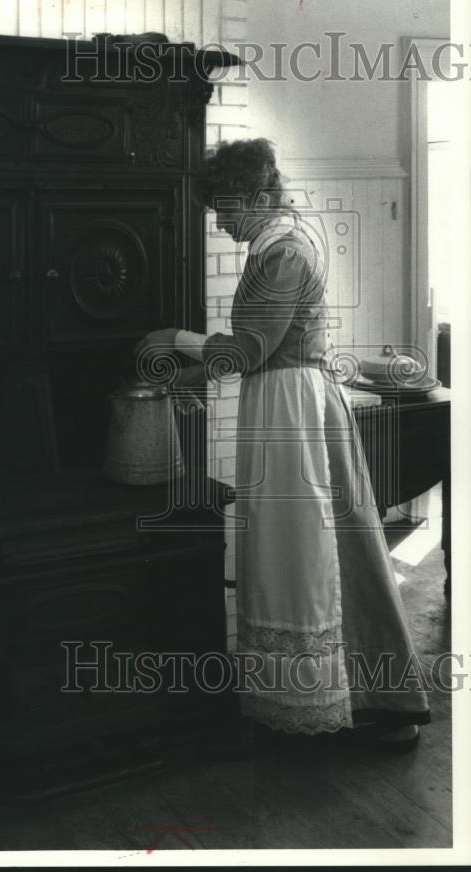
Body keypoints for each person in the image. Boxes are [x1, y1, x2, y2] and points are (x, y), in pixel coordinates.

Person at [135, 138, 430, 751]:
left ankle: (363, 702)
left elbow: (251, 349)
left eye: (224, 206)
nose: (218, 220)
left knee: (310, 551)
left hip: (294, 410)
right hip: (284, 399)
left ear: (257, 196)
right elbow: (255, 348)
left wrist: (177, 339)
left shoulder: (285, 252)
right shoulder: (279, 242)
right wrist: (188, 376)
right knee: (320, 548)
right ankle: (343, 695)